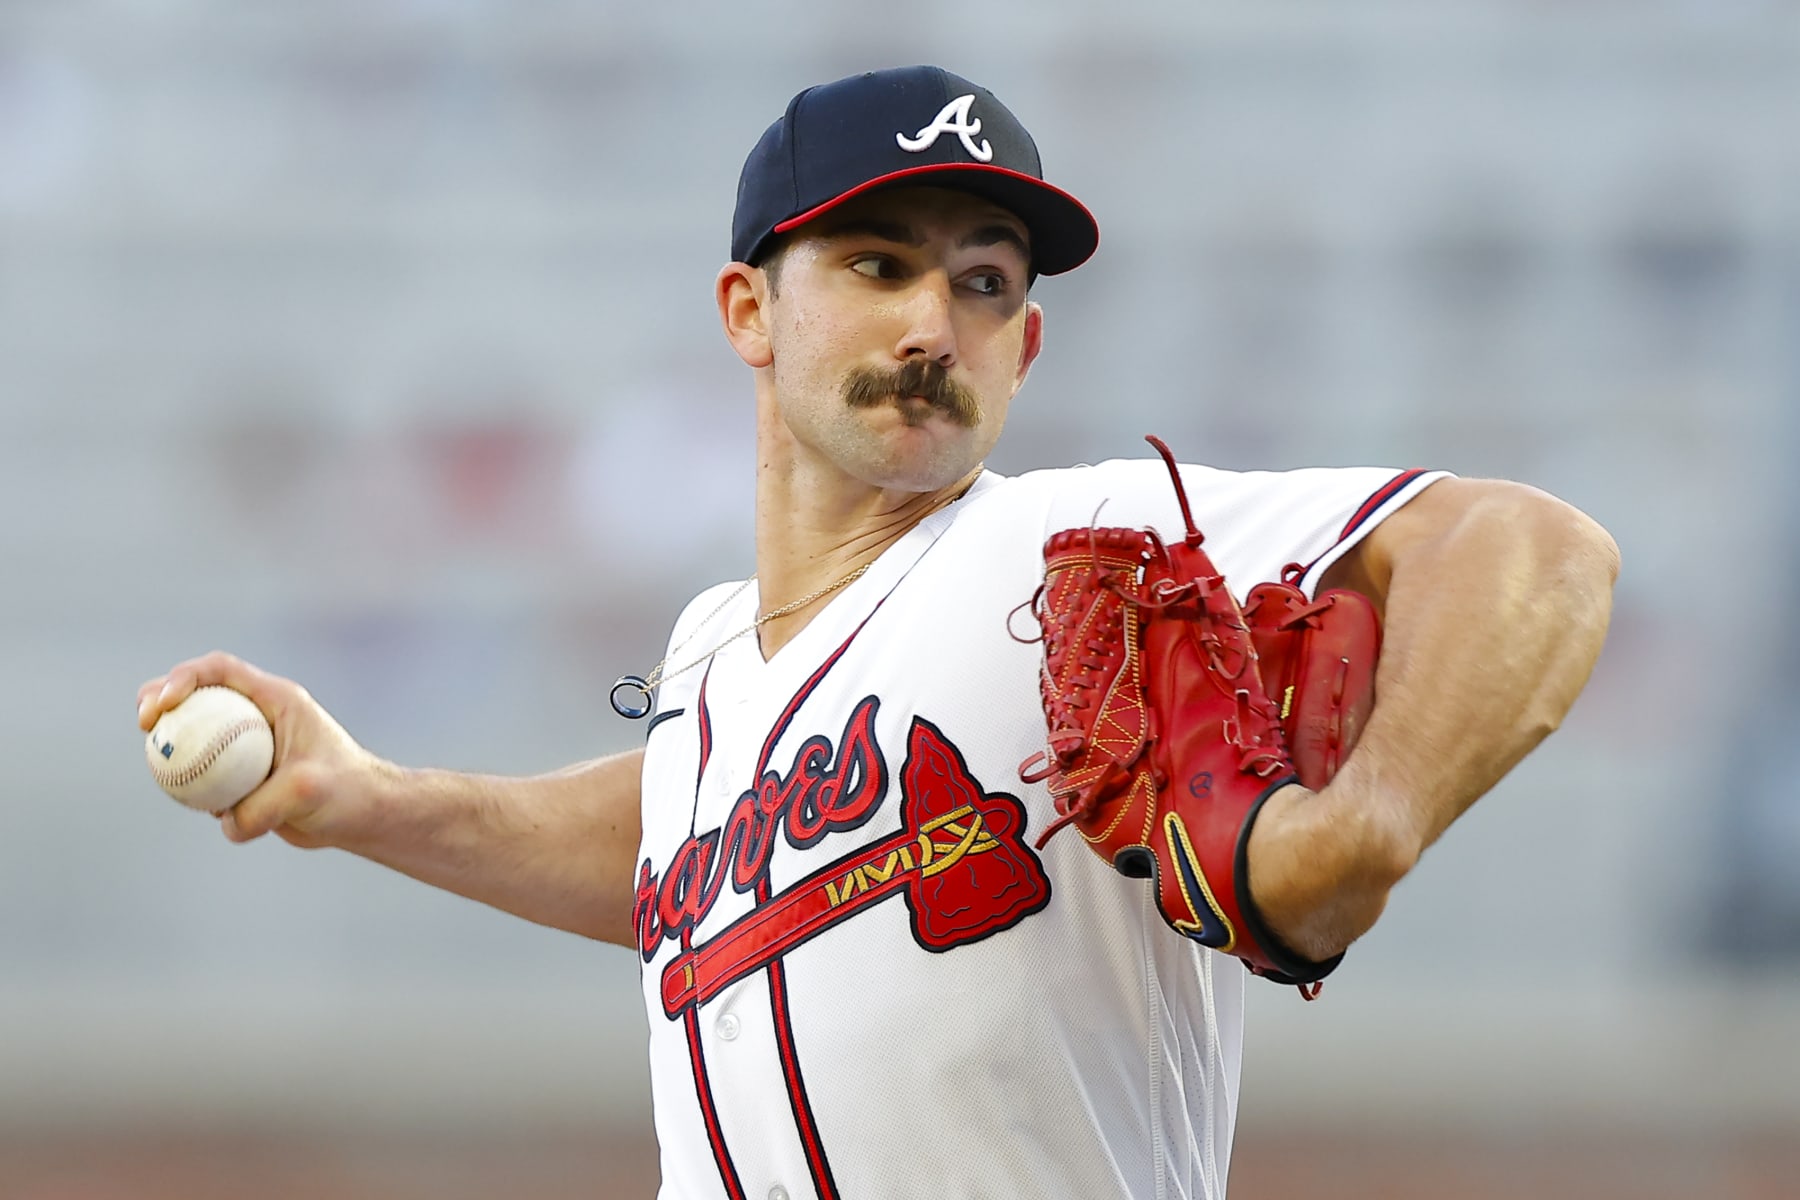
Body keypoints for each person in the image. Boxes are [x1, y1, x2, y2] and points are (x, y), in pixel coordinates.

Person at [136, 66, 1619, 1200]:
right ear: (748, 311)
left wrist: (1370, 822)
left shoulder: (1079, 546)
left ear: (1026, 349)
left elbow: (1540, 549)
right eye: (877, 265)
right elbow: (682, 836)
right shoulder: (712, 653)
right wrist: (370, 798)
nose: (932, 324)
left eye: (984, 283)